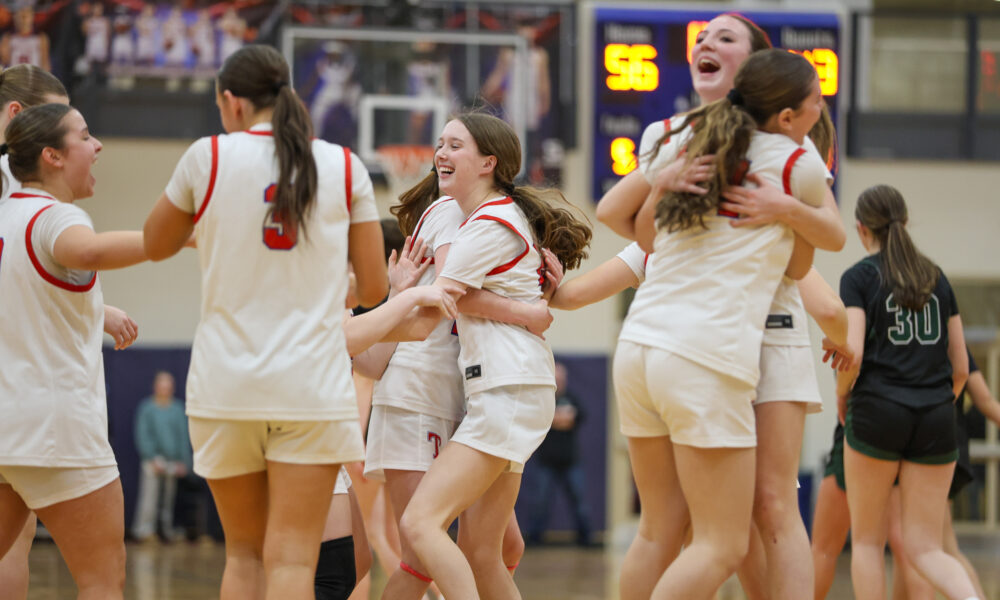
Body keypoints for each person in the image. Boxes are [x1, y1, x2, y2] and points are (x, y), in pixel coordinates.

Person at [595, 14, 846, 600]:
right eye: (702, 37)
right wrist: (666, 191)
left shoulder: (790, 143)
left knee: (764, 505)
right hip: (710, 342)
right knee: (712, 534)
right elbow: (637, 230)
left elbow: (803, 264)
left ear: (756, 66)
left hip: (731, 331)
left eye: (724, 38)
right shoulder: (676, 136)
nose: (705, 42)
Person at [141, 44, 394, 599]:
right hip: (309, 386)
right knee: (293, 561)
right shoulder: (343, 165)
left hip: (226, 384)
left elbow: (155, 244)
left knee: (244, 555)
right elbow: (375, 288)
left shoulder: (207, 156)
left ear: (231, 102)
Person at [398, 112, 591, 600]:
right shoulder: (494, 216)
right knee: (483, 554)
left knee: (420, 523)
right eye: (440, 143)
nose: (441, 154)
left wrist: (397, 293)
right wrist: (528, 310)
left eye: (455, 145)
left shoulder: (489, 222)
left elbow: (445, 297)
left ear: (488, 162)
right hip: (516, 387)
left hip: (508, 387)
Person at [0, 64, 138, 600]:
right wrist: (176, 235)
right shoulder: (53, 213)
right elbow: (86, 250)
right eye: (82, 133)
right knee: (102, 580)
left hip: (8, 419)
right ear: (49, 153)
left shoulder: (9, 210)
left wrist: (95, 309)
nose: (97, 145)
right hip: (56, 429)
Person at [837, 184, 977, 600]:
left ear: (862, 229)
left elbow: (852, 355)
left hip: (877, 410)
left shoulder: (858, 277)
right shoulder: (937, 277)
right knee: (927, 548)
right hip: (936, 414)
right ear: (906, 221)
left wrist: (843, 395)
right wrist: (936, 404)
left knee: (867, 542)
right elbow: (961, 367)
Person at [525, 361, 592, 546]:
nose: (559, 381)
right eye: (556, 378)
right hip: (546, 461)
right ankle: (535, 539)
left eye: (561, 378)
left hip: (571, 460)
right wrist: (561, 418)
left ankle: (586, 539)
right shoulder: (542, 399)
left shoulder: (572, 398)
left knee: (580, 502)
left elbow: (578, 417)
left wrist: (555, 419)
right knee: (540, 502)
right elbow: (541, 420)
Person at [132, 371, 191, 542]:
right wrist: (151, 457)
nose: (165, 389)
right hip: (152, 460)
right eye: (162, 385)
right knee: (149, 497)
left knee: (168, 498)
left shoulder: (178, 409)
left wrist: (183, 462)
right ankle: (144, 531)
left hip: (173, 461)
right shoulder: (147, 408)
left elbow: (183, 436)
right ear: (155, 387)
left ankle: (166, 531)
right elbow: (143, 434)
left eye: (168, 386)